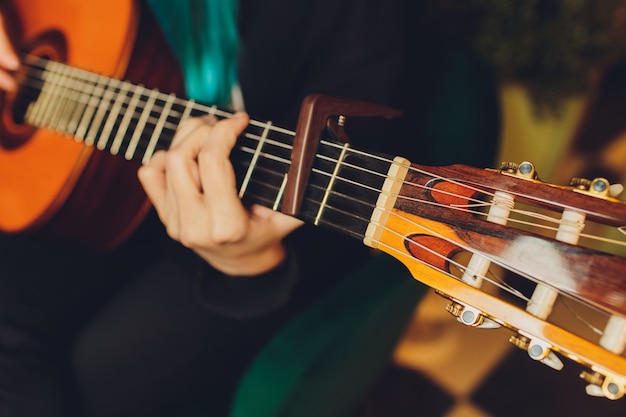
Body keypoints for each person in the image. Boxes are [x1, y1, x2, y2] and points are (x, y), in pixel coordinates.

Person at [0, 0, 500, 416]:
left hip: (249, 237)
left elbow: (331, 196)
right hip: (77, 194)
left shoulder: (353, 20)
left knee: (105, 369)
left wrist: (243, 260)